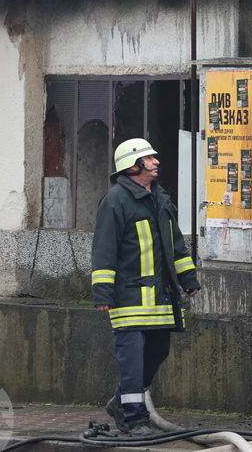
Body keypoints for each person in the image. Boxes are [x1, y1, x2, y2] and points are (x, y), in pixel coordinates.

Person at [91, 138, 201, 436]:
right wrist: (103, 292)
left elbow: (176, 245)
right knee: (133, 358)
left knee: (158, 351)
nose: (156, 162)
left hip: (160, 298)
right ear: (133, 166)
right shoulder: (114, 201)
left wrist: (188, 279)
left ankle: (119, 401)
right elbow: (103, 250)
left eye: (154, 157)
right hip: (128, 297)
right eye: (149, 158)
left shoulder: (160, 199)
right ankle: (135, 418)